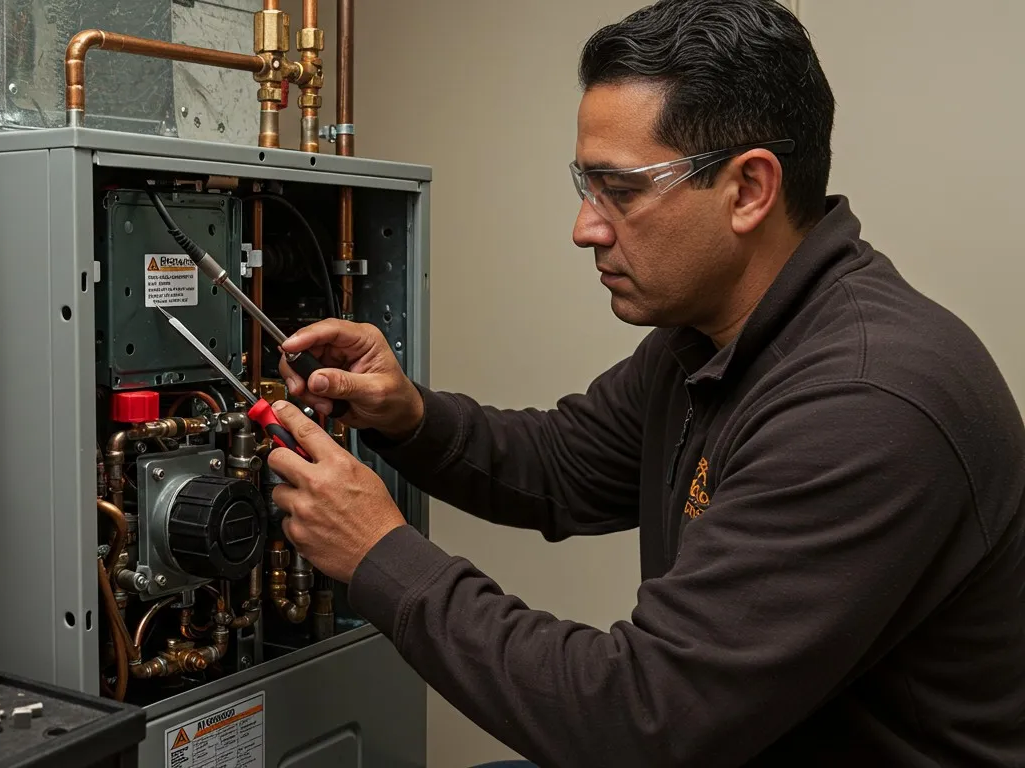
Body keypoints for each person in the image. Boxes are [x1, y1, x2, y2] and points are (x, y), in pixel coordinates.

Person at [264, 0, 1025, 766]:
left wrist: (377, 552)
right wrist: (408, 416)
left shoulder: (865, 403)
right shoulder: (710, 336)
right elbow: (566, 465)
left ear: (749, 189)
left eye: (619, 191)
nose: (585, 227)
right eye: (585, 186)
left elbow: (639, 721)